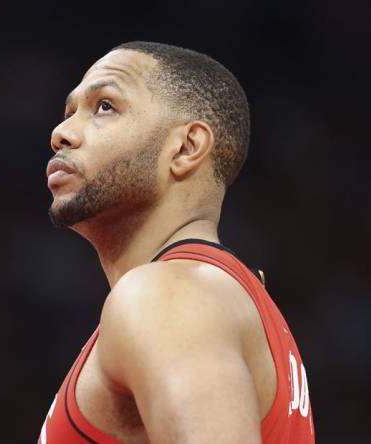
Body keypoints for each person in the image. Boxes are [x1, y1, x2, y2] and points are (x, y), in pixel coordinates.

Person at [39, 41, 314, 444]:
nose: (60, 133)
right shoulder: (215, 296)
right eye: (68, 112)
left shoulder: (166, 296)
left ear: (186, 148)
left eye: (105, 107)